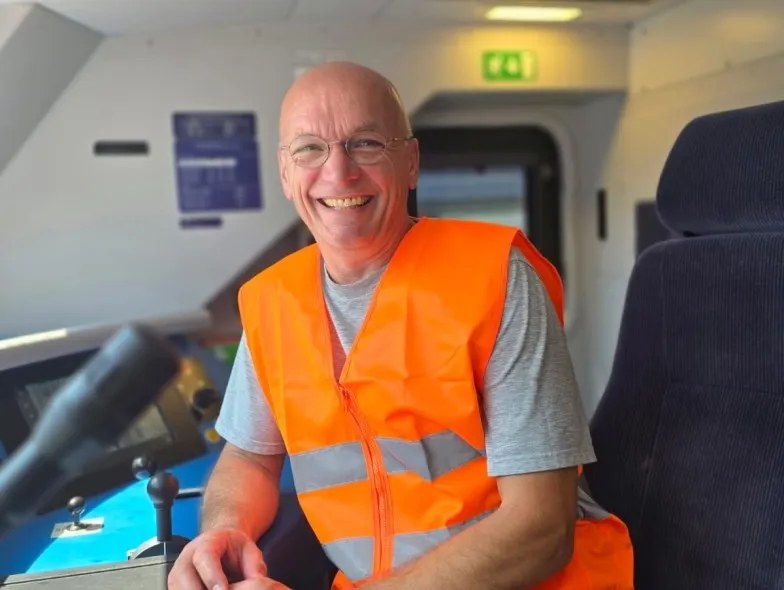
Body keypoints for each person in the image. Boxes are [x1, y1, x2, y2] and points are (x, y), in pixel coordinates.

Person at [168, 61, 633, 590]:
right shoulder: (271, 300)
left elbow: (541, 529)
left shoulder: (496, 277)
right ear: (285, 173)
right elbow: (250, 454)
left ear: (410, 163)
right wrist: (225, 530)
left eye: (365, 143)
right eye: (310, 148)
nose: (338, 173)